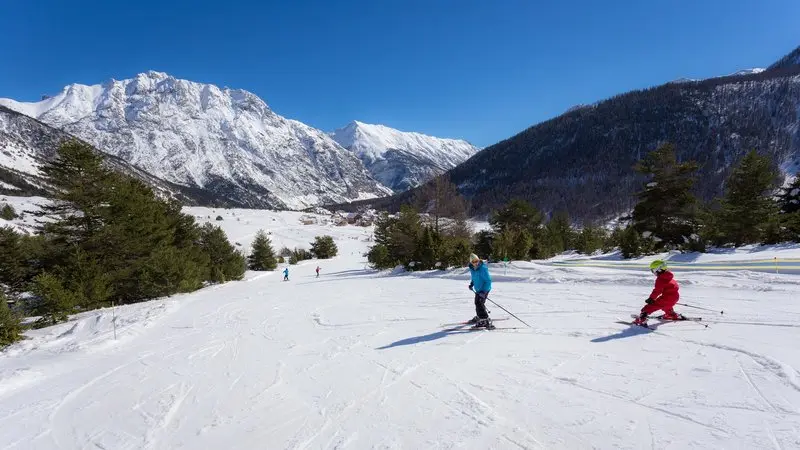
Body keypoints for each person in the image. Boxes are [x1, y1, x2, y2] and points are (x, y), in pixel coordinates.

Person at [633, 260, 683, 327]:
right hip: (675, 297)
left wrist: (651, 298)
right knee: (666, 306)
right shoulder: (669, 276)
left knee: (651, 306)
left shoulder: (660, 279)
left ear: (659, 269)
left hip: (667, 298)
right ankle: (671, 314)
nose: (653, 273)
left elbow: (657, 291)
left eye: (653, 270)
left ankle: (642, 318)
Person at [467, 253, 493, 329]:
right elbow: (474, 278)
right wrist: (472, 284)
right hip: (478, 289)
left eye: (476, 261)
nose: (476, 263)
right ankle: (480, 316)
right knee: (478, 303)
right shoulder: (472, 269)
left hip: (484, 289)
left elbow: (488, 281)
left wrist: (484, 292)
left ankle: (484, 319)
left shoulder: (483, 269)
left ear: (479, 260)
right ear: (471, 262)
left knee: (479, 303)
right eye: (473, 262)